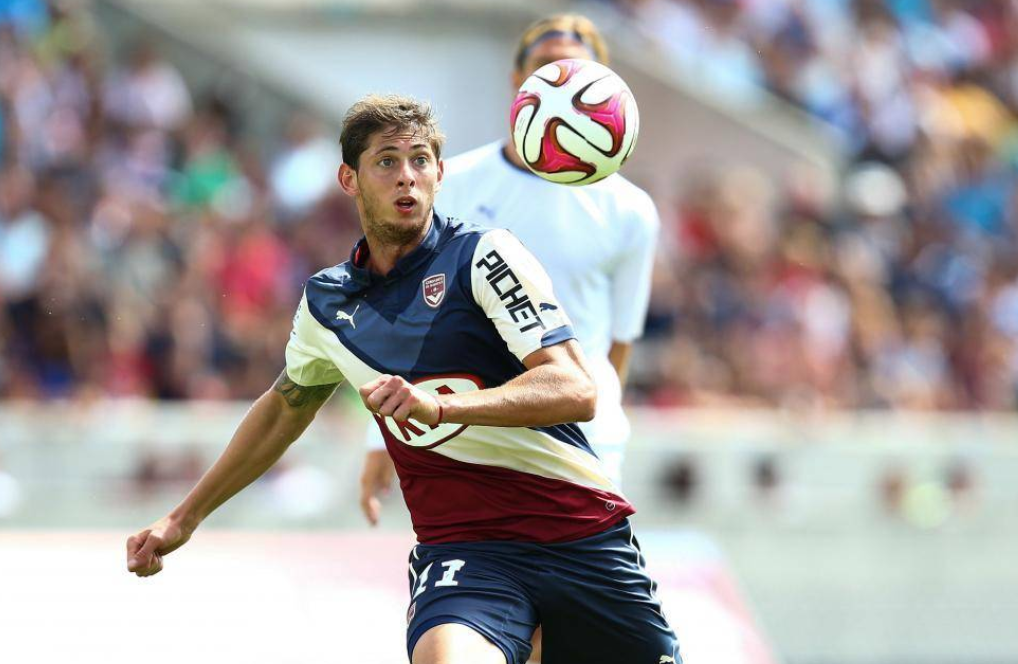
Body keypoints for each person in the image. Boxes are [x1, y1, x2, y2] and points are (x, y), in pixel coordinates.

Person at [126, 94, 680, 664]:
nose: (407, 177)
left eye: (420, 160)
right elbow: (284, 408)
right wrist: (182, 517)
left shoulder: (485, 257)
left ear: (441, 173)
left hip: (581, 537)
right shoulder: (328, 302)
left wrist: (440, 409)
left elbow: (575, 389)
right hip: (466, 553)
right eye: (387, 161)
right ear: (350, 178)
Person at [359, 13, 660, 523]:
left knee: (583, 600)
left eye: (576, 73)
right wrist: (379, 435)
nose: (560, 89)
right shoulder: (452, 184)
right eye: (546, 68)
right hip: (474, 439)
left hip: (585, 446)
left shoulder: (630, 210)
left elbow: (619, 345)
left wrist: (595, 422)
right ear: (518, 82)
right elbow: (405, 311)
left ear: (604, 87)